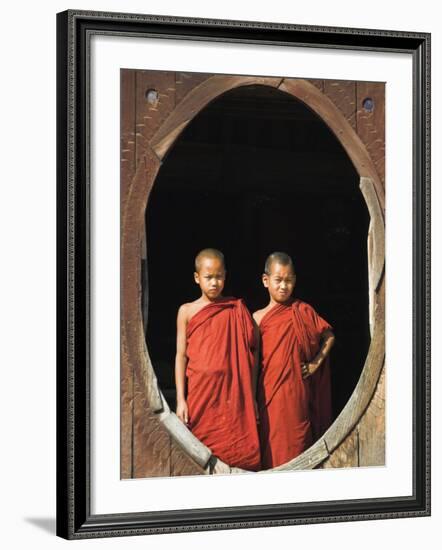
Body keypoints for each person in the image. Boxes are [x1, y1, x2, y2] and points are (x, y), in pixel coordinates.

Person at [174, 248, 261, 471]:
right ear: (197, 278)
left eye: (219, 276)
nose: (214, 283)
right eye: (208, 277)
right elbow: (180, 356)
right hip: (201, 395)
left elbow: (253, 349)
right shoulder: (187, 311)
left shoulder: (235, 309)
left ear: (226, 276)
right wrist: (181, 399)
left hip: (233, 396)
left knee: (238, 452)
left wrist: (251, 395)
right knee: (198, 454)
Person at [254, 252, 335, 469]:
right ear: (265, 281)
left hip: (297, 394)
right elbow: (251, 364)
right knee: (272, 446)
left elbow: (329, 336)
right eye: (278, 280)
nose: (283, 286)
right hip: (268, 394)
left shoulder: (302, 311)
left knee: (298, 445)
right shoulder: (257, 319)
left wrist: (315, 363)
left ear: (295, 281)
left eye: (288, 281)